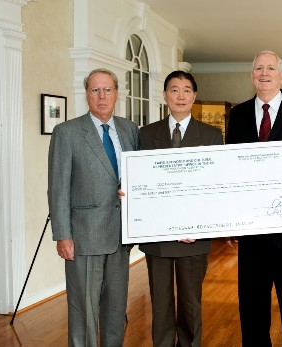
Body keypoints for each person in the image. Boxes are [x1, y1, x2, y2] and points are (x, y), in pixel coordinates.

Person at [226, 50, 282, 347]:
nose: (264, 74)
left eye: (270, 68)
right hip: (251, 231)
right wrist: (230, 220)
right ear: (252, 75)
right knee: (252, 308)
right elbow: (231, 169)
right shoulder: (237, 115)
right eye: (258, 69)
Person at [48, 68, 139, 346]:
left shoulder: (129, 129)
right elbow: (58, 188)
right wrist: (62, 235)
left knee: (115, 310)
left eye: (107, 90)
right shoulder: (67, 132)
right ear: (86, 94)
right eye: (95, 90)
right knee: (83, 313)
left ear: (116, 94)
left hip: (121, 238)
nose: (102, 96)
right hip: (84, 239)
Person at [138, 70, 223, 347]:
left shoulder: (211, 135)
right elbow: (142, 182)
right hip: (158, 237)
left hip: (194, 239)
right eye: (174, 89)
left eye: (186, 90)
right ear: (165, 96)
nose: (181, 96)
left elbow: (214, 187)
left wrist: (195, 226)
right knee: (160, 304)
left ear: (194, 96)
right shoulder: (146, 134)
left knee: (190, 304)